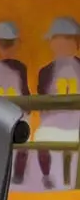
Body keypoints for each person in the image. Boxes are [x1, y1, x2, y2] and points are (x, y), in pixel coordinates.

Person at [0, 21, 51, 188]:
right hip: (17, 124)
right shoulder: (19, 68)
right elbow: (26, 100)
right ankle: (17, 176)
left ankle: (11, 177)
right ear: (17, 43)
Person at [37, 16, 80, 189]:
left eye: (54, 39)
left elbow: (42, 109)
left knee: (41, 136)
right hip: (69, 130)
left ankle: (49, 178)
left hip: (53, 131)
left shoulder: (46, 71)